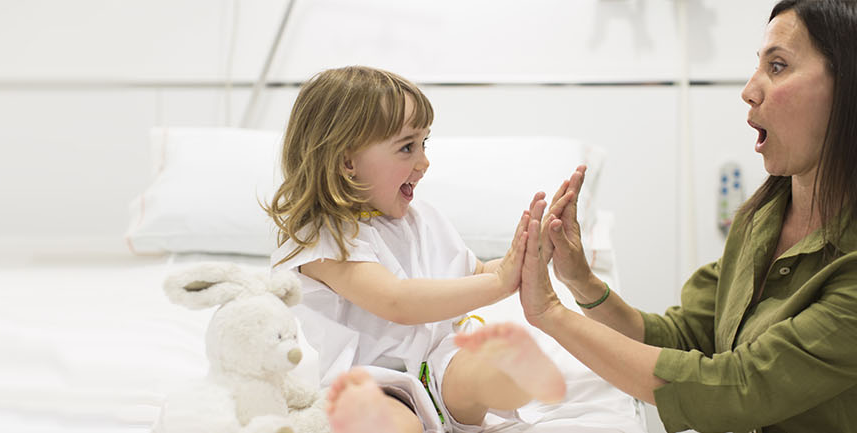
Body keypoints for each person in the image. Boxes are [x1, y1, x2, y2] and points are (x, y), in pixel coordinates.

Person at [517, 1, 857, 431]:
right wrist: (580, 282)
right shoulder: (763, 221)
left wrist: (550, 312)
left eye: (777, 66)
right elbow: (683, 338)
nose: (749, 90)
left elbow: (736, 387)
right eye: (759, 66)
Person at [263, 65, 565, 433]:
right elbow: (397, 302)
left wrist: (527, 257)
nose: (423, 162)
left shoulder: (421, 219)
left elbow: (473, 274)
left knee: (480, 368)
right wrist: (499, 283)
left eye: (424, 144)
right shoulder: (321, 240)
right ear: (347, 162)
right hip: (369, 381)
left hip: (441, 364)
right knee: (392, 424)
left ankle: (505, 378)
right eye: (407, 147)